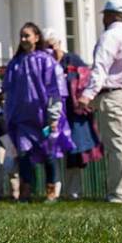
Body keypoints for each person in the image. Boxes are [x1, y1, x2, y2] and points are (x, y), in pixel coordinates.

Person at [78, 0, 122, 204]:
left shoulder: (109, 37)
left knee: (118, 145)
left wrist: (88, 94)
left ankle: (119, 194)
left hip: (114, 96)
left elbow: (100, 67)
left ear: (108, 16)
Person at [3, 23, 73, 202]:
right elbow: (9, 91)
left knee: (48, 154)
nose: (23, 39)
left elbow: (55, 90)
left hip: (43, 118)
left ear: (36, 37)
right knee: (24, 154)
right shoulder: (15, 63)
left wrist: (53, 117)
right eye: (21, 36)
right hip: (22, 119)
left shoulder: (46, 61)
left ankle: (51, 190)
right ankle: (26, 191)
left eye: (27, 35)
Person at [47, 30, 101, 200]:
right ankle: (54, 192)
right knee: (53, 153)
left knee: (74, 153)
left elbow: (85, 81)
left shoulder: (73, 60)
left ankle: (73, 192)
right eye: (46, 47)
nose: (50, 50)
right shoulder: (45, 63)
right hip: (53, 114)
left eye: (52, 46)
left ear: (59, 44)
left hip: (73, 114)